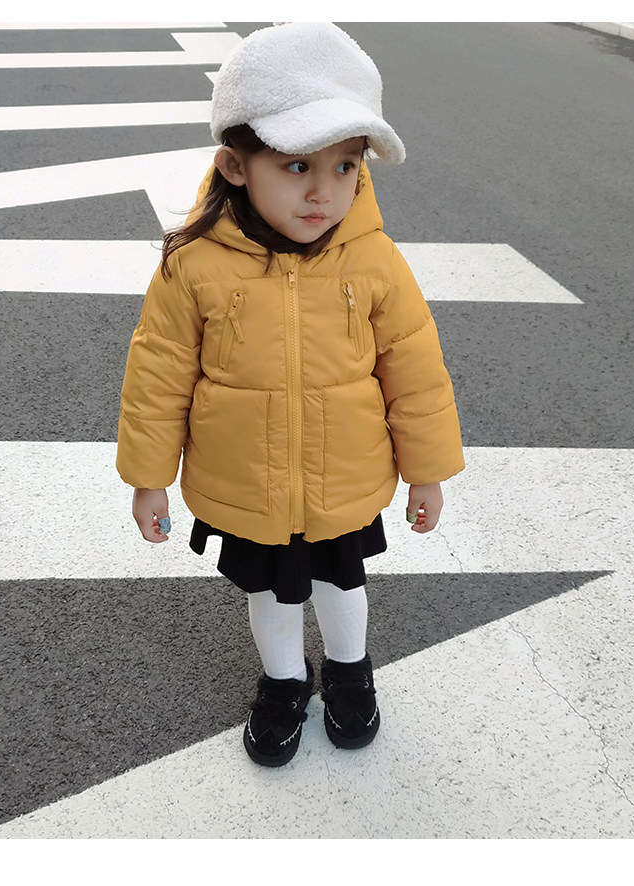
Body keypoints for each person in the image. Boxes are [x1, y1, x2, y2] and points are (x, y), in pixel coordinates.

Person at [116, 22, 465, 767]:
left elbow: (415, 370)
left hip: (344, 477)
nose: (323, 191)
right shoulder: (195, 265)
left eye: (346, 166)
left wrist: (427, 470)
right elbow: (158, 375)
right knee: (270, 594)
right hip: (246, 481)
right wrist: (148, 477)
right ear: (235, 166)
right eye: (297, 164)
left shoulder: (374, 260)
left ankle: (350, 671)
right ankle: (282, 682)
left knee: (341, 585)